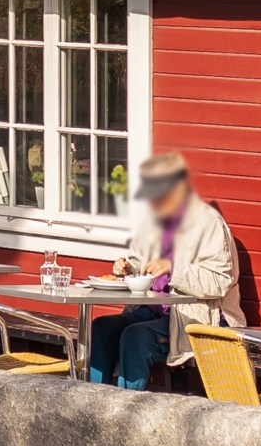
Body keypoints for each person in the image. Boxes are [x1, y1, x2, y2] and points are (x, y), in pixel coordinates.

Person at [89, 151, 245, 390]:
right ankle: (92, 403)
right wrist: (127, 267)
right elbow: (140, 261)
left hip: (193, 315)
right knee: (102, 327)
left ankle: (124, 411)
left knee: (134, 337)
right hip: (151, 312)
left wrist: (173, 269)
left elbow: (220, 281)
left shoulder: (208, 223)